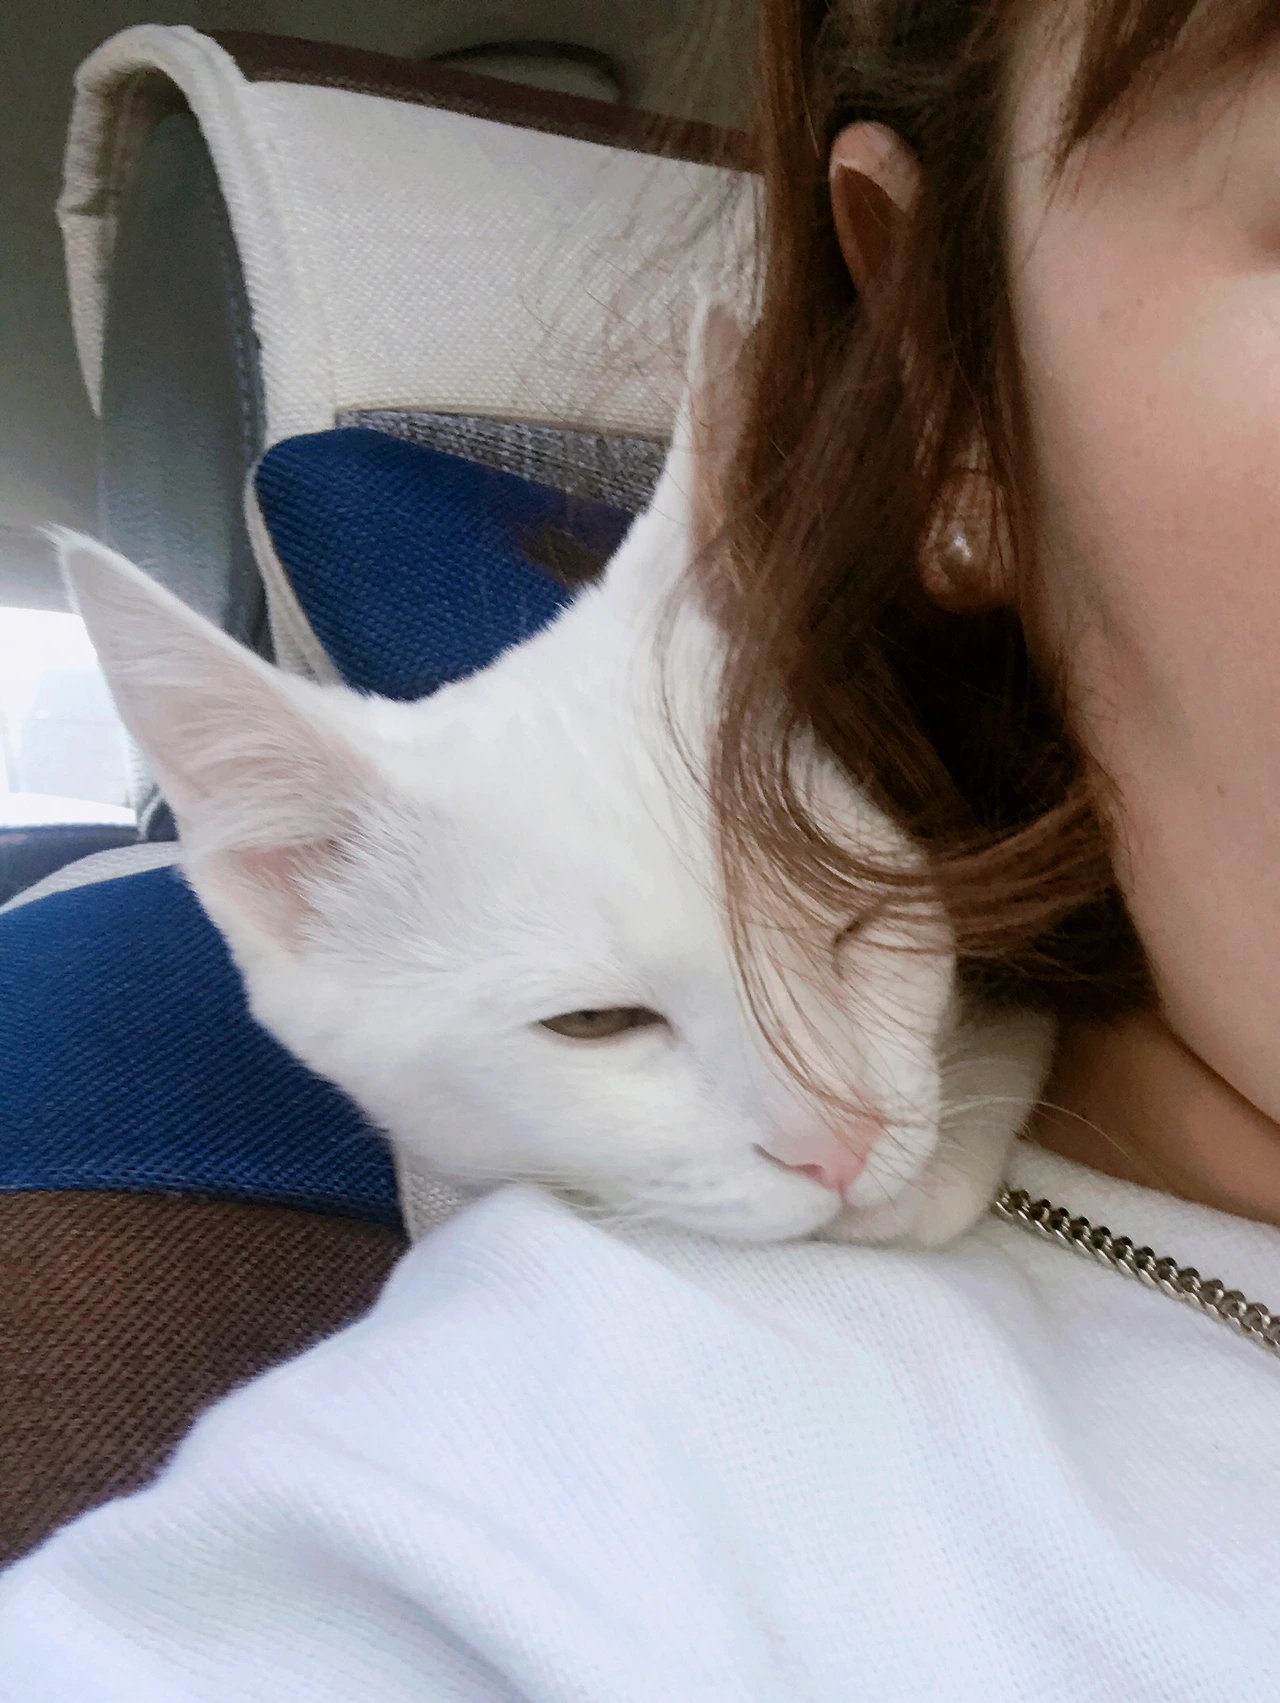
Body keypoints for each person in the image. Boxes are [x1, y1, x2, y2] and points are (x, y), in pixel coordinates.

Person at [4, 0, 1279, 1695]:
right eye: (601, 1018)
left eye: (849, 926)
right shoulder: (549, 1479)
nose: (835, 1133)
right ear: (954, 391)